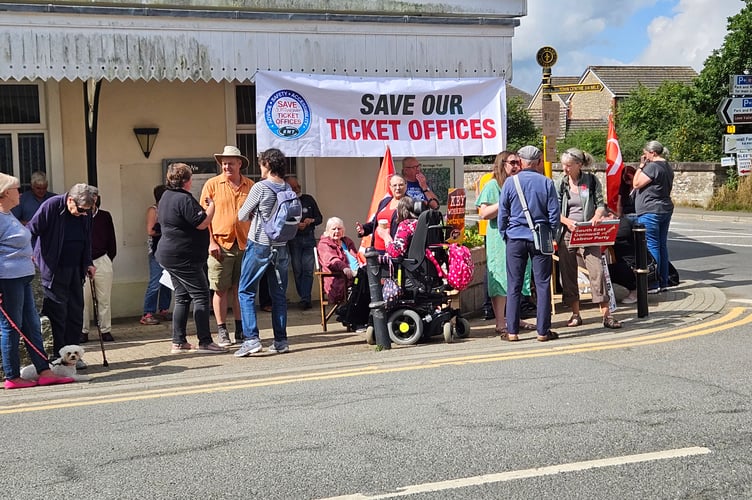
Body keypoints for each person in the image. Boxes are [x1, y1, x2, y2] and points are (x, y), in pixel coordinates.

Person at [0, 173, 74, 388]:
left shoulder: (9, 214)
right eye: (15, 189)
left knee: (32, 323)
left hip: (22, 277)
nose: (20, 193)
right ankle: (12, 376)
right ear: (4, 193)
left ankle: (44, 370)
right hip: (7, 279)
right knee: (11, 327)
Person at [155, 163, 227, 354]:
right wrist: (212, 207)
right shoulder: (184, 199)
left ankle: (178, 342)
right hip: (184, 257)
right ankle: (205, 341)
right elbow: (202, 223)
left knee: (182, 297)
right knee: (201, 296)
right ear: (188, 181)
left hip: (169, 254)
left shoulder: (165, 197)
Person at [27, 183, 98, 362]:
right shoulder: (51, 206)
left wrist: (88, 262)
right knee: (58, 313)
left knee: (75, 312)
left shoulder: (85, 212)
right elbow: (31, 230)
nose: (83, 214)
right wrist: (31, 254)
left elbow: (87, 239)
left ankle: (73, 355)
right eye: (81, 210)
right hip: (54, 269)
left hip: (76, 269)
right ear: (70, 200)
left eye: (87, 211)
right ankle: (59, 355)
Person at [498, 145, 560, 342]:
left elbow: (503, 213)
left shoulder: (510, 183)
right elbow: (554, 215)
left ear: (521, 162)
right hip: (540, 238)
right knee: (542, 284)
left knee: (514, 284)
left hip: (515, 237)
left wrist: (504, 234)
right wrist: (553, 236)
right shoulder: (547, 183)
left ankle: (512, 331)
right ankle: (543, 331)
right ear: (539, 162)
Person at [236, 148, 293, 356]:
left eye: (261, 163)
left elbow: (242, 215)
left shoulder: (261, 187)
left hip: (260, 243)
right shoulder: (286, 186)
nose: (260, 167)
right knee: (278, 295)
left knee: (246, 290)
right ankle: (281, 341)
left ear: (267, 164)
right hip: (281, 246)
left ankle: (251, 339)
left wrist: (252, 210)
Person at [557, 148, 621, 329]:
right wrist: (567, 222)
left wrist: (597, 216)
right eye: (564, 165)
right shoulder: (560, 184)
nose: (565, 169)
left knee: (597, 271)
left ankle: (606, 315)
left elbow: (600, 203)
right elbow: (553, 209)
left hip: (588, 231)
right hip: (567, 233)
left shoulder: (591, 181)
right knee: (568, 274)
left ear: (579, 165)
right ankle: (575, 314)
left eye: (569, 165)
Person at [476, 151, 536, 337]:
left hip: (518, 235)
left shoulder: (518, 182)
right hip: (499, 238)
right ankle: (500, 321)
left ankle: (514, 317)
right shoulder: (493, 185)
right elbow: (483, 213)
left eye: (518, 162)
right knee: (501, 279)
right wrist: (504, 200)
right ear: (502, 164)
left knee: (516, 277)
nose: (516, 166)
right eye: (512, 162)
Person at [200, 145, 254, 346]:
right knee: (220, 289)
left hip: (245, 244)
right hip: (220, 245)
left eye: (230, 163)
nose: (226, 167)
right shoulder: (212, 185)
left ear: (240, 164)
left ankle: (241, 330)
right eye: (223, 163)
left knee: (240, 289)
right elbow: (204, 218)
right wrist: (211, 242)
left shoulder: (250, 186)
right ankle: (222, 331)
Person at [633, 140, 674, 293]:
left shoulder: (652, 167)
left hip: (650, 210)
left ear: (653, 153)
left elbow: (636, 183)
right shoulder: (667, 167)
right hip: (665, 209)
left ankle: (653, 283)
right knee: (662, 245)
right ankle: (664, 281)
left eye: (646, 153)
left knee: (652, 246)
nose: (644, 156)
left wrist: (641, 167)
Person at [82, 194, 117, 343]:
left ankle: (105, 330)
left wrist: (109, 257)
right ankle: (83, 331)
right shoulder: (79, 216)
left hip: (102, 258)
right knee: (83, 299)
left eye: (93, 199)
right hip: (83, 261)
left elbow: (111, 239)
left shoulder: (105, 216)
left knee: (104, 298)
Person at [285, 174, 323, 310]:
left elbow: (319, 218)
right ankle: (304, 296)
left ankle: (305, 299)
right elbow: (281, 221)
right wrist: (295, 225)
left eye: (298, 186)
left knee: (308, 270)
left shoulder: (308, 199)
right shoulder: (286, 202)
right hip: (293, 238)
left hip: (309, 238)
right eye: (293, 187)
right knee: (297, 269)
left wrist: (311, 221)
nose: (296, 189)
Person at [140, 185, 172, 325]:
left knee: (167, 281)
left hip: (168, 250)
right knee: (155, 281)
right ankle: (148, 312)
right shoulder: (154, 210)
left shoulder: (169, 209)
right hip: (156, 250)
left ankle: (163, 309)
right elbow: (151, 231)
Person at [356, 174, 407, 253]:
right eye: (394, 185)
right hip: (377, 249)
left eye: (400, 185)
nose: (397, 188)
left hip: (393, 251)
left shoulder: (409, 204)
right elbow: (375, 223)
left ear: (406, 185)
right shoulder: (385, 201)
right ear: (390, 187)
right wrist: (364, 229)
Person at [317, 217, 359, 304]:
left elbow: (357, 257)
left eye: (339, 228)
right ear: (328, 230)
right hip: (341, 280)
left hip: (356, 277)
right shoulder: (324, 244)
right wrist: (345, 268)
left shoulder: (347, 241)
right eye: (334, 229)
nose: (337, 231)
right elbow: (332, 260)